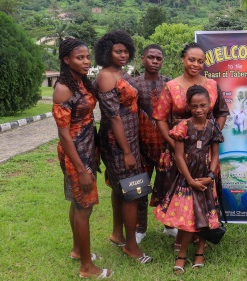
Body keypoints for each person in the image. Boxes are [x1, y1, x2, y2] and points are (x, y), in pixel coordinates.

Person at [151, 42, 229, 252]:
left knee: (202, 190)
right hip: (178, 150)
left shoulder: (211, 85)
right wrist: (173, 142)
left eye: (200, 61)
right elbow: (160, 118)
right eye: (191, 59)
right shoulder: (172, 87)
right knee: (180, 193)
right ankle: (180, 236)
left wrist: (212, 134)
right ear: (183, 59)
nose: (196, 64)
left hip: (205, 153)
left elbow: (222, 112)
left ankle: (199, 233)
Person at [52, 38, 113, 278]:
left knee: (77, 203)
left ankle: (78, 250)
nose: (86, 61)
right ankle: (87, 267)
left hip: (88, 149)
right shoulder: (63, 88)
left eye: (87, 57)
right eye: (80, 58)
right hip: (76, 154)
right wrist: (81, 169)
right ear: (66, 60)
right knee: (84, 208)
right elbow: (64, 135)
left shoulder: (81, 82)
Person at [94, 30, 152, 263]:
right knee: (132, 191)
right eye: (118, 51)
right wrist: (127, 152)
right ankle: (131, 246)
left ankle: (117, 234)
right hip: (117, 142)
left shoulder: (122, 73)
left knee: (121, 188)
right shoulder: (106, 75)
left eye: (126, 51)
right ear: (107, 52)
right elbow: (114, 116)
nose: (123, 55)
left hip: (129, 139)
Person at [154, 85, 225, 273]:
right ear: (188, 106)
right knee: (187, 219)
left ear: (210, 105)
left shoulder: (213, 127)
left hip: (206, 177)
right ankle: (182, 254)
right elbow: (178, 156)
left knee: (205, 215)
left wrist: (210, 176)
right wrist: (191, 180)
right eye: (194, 106)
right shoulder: (182, 127)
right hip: (187, 177)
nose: (199, 109)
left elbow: (215, 154)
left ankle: (200, 251)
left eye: (203, 105)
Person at [134, 44, 175, 244]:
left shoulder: (169, 84)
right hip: (140, 148)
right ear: (143, 59)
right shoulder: (133, 85)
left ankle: (169, 225)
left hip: (165, 147)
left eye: (159, 58)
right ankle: (139, 228)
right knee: (139, 189)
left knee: (167, 188)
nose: (155, 61)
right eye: (151, 57)